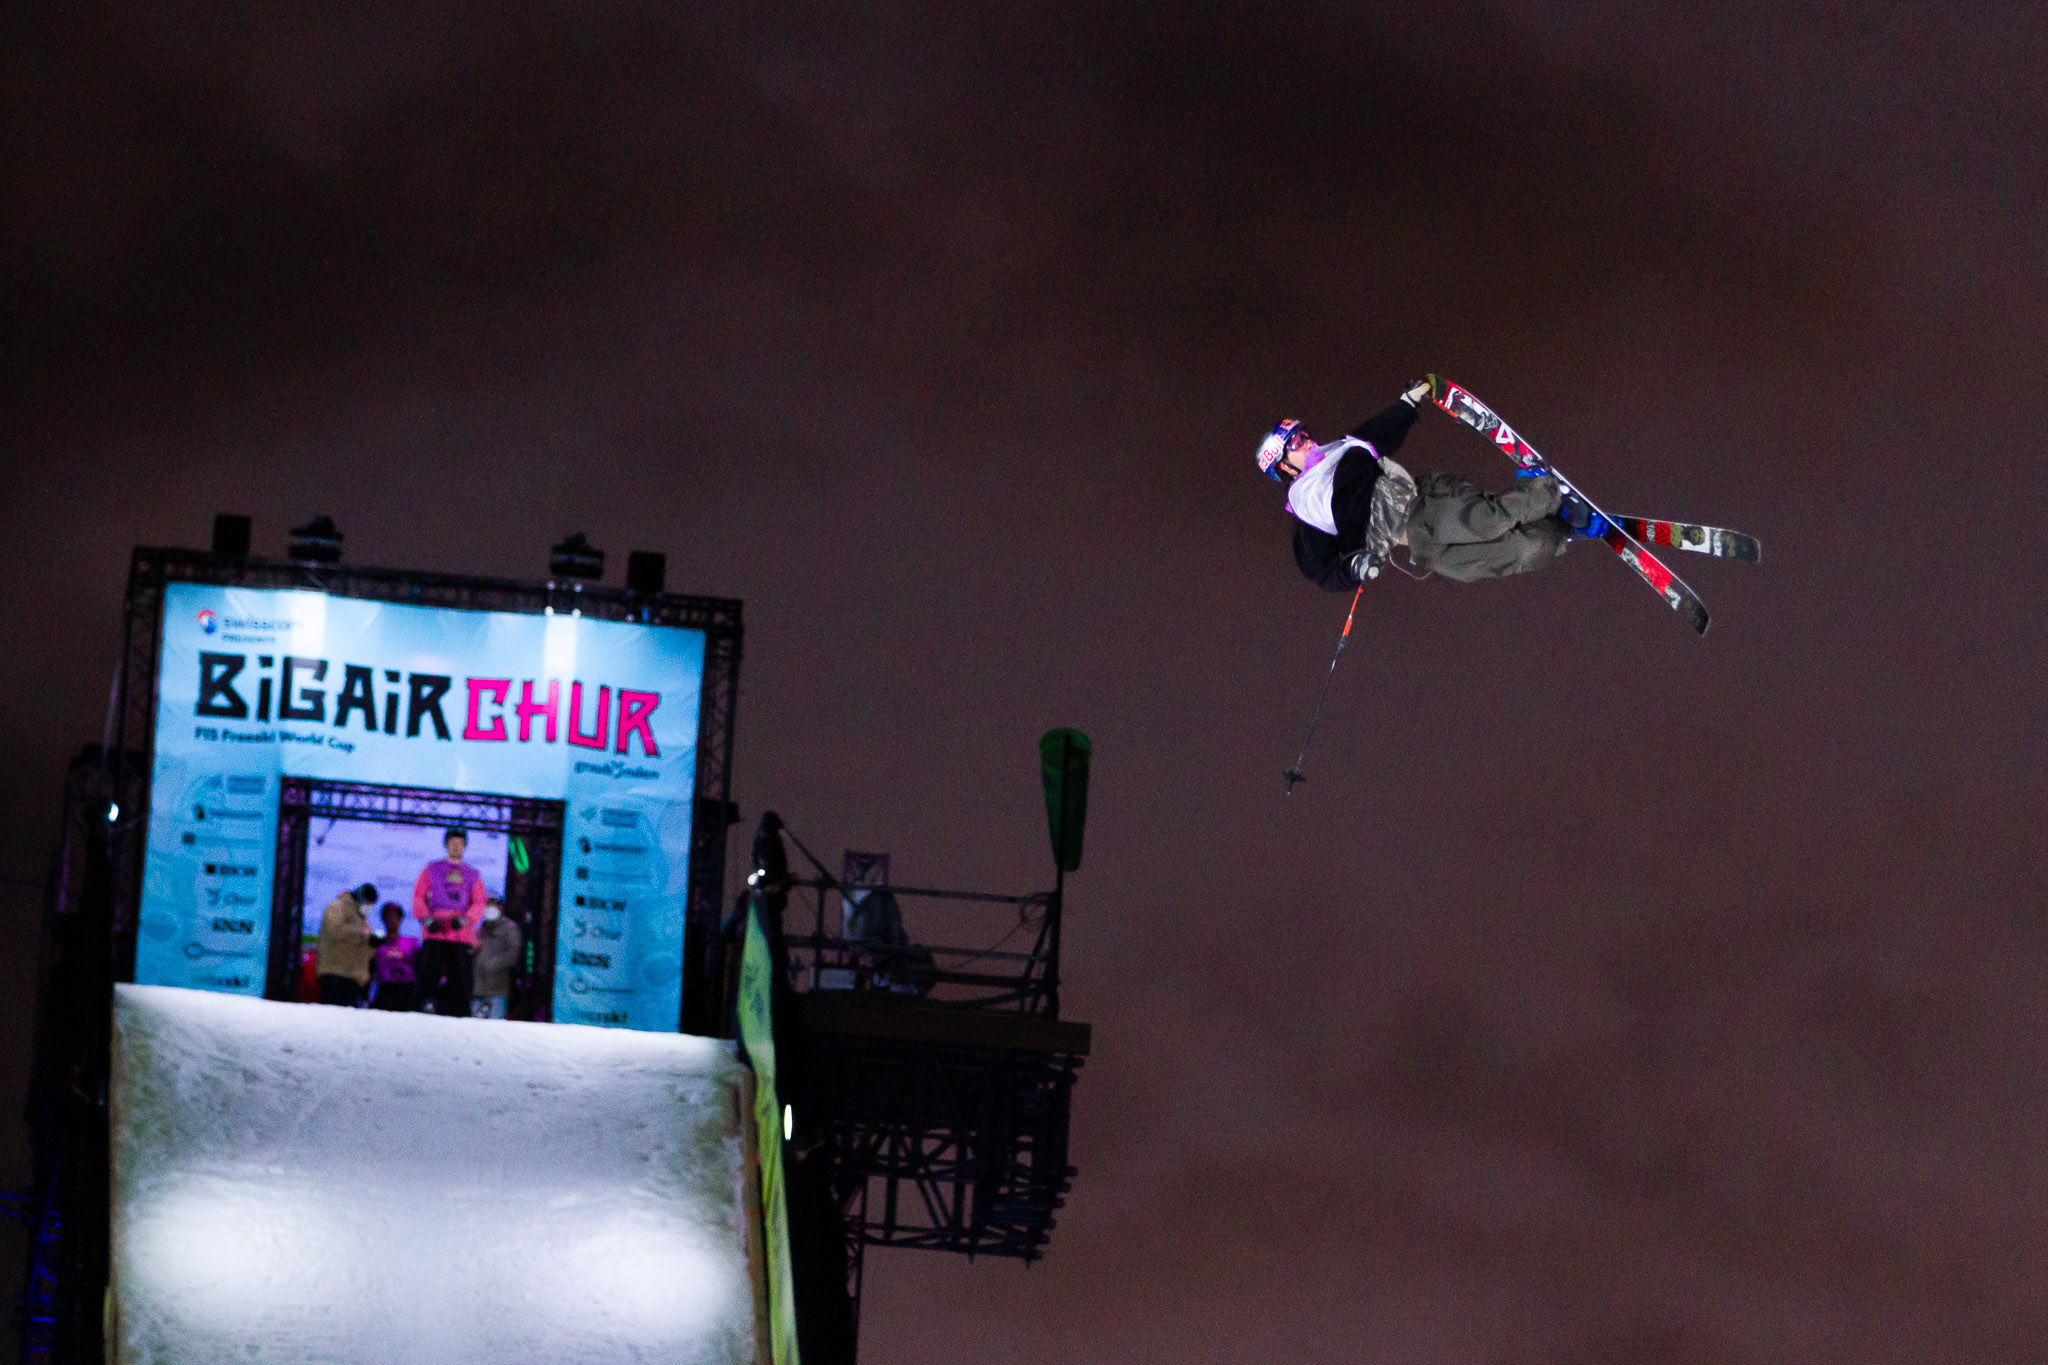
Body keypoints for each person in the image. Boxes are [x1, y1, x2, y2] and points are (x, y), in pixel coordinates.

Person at [1259, 378, 1596, 588]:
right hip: (1415, 544)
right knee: (1513, 553)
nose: (1305, 441)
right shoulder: (1307, 514)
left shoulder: (1344, 453)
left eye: (1303, 434)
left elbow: (1379, 432)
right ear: (1284, 468)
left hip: (1425, 504)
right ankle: (1556, 531)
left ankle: (1546, 493)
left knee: (1486, 522)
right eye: (1293, 443)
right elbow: (1322, 570)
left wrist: (1407, 403)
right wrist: (1354, 568)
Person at [412, 826, 487, 1016]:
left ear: (465, 846)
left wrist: (465, 920)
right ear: (445, 844)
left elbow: (479, 901)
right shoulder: (432, 869)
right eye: (452, 842)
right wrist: (426, 919)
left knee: (460, 976)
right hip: (435, 929)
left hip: (460, 933)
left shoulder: (472, 874)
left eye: (459, 843)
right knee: (428, 972)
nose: (456, 846)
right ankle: (419, 1008)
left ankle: (462, 1013)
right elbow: (419, 896)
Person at [313, 883, 378, 1007]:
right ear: (361, 898)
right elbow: (335, 931)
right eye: (367, 902)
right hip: (333, 972)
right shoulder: (337, 907)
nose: (368, 907)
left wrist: (372, 944)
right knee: (331, 1014)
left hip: (352, 976)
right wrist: (363, 935)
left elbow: (361, 946)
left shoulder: (361, 918)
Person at [471, 898, 523, 1020]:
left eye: (493, 906)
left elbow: (513, 954)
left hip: (498, 990)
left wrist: (492, 965)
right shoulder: (480, 929)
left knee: (495, 1026)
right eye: (488, 905)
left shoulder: (510, 929)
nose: (490, 909)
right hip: (478, 990)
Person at [369, 903, 420, 1011]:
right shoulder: (377, 944)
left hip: (407, 989)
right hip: (384, 989)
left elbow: (419, 967)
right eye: (388, 917)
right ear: (383, 919)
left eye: (395, 916)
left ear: (401, 919)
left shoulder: (412, 943)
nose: (391, 920)